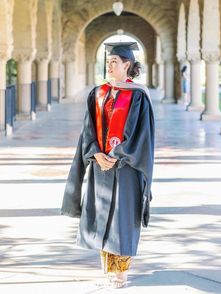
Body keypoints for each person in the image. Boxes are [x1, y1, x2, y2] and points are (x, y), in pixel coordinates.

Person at [60, 41, 155, 288]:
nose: (109, 66)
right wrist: (95, 153)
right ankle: (107, 268)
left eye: (114, 62)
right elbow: (87, 129)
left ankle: (121, 272)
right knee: (102, 215)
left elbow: (140, 135)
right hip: (100, 166)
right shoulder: (98, 93)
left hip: (126, 168)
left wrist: (116, 154)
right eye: (108, 61)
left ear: (127, 65)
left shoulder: (138, 96)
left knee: (122, 219)